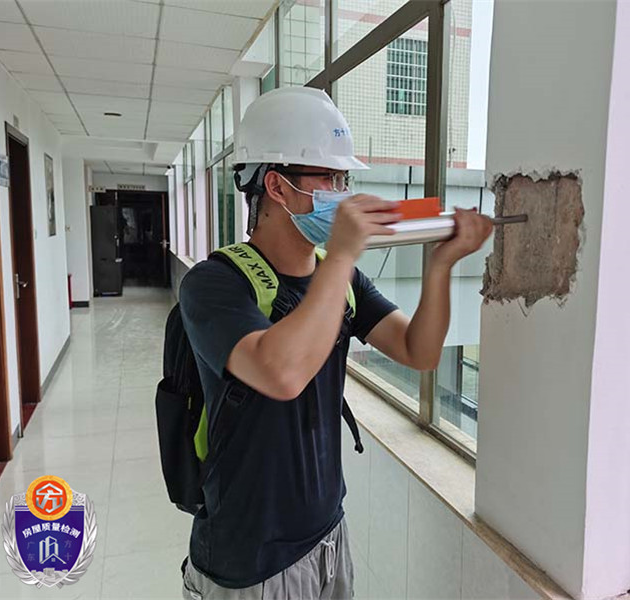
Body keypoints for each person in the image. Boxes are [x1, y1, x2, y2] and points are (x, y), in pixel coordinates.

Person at [179, 86, 492, 599]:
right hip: (248, 558)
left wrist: (441, 266)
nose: (342, 193)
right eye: (328, 178)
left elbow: (418, 351)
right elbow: (280, 372)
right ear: (277, 187)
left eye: (345, 179)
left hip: (326, 534)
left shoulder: (339, 278)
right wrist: (344, 253)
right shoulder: (214, 284)